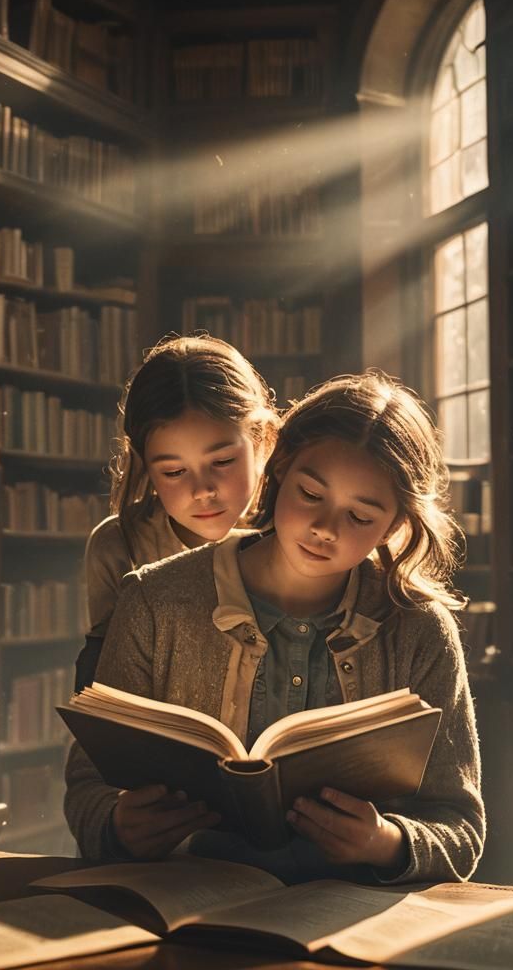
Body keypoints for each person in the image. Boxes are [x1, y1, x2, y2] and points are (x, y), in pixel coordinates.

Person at [65, 371, 484, 884]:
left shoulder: (420, 629)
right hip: (185, 899)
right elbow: (88, 787)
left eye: (360, 516)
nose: (325, 528)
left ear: (397, 524)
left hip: (349, 922)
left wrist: (385, 842)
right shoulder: (152, 600)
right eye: (310, 494)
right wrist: (117, 826)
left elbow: (460, 829)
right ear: (279, 467)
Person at [75, 334, 279, 691]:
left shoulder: (294, 532)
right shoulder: (119, 546)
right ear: (145, 466)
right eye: (173, 472)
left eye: (222, 461)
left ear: (262, 439)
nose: (202, 490)